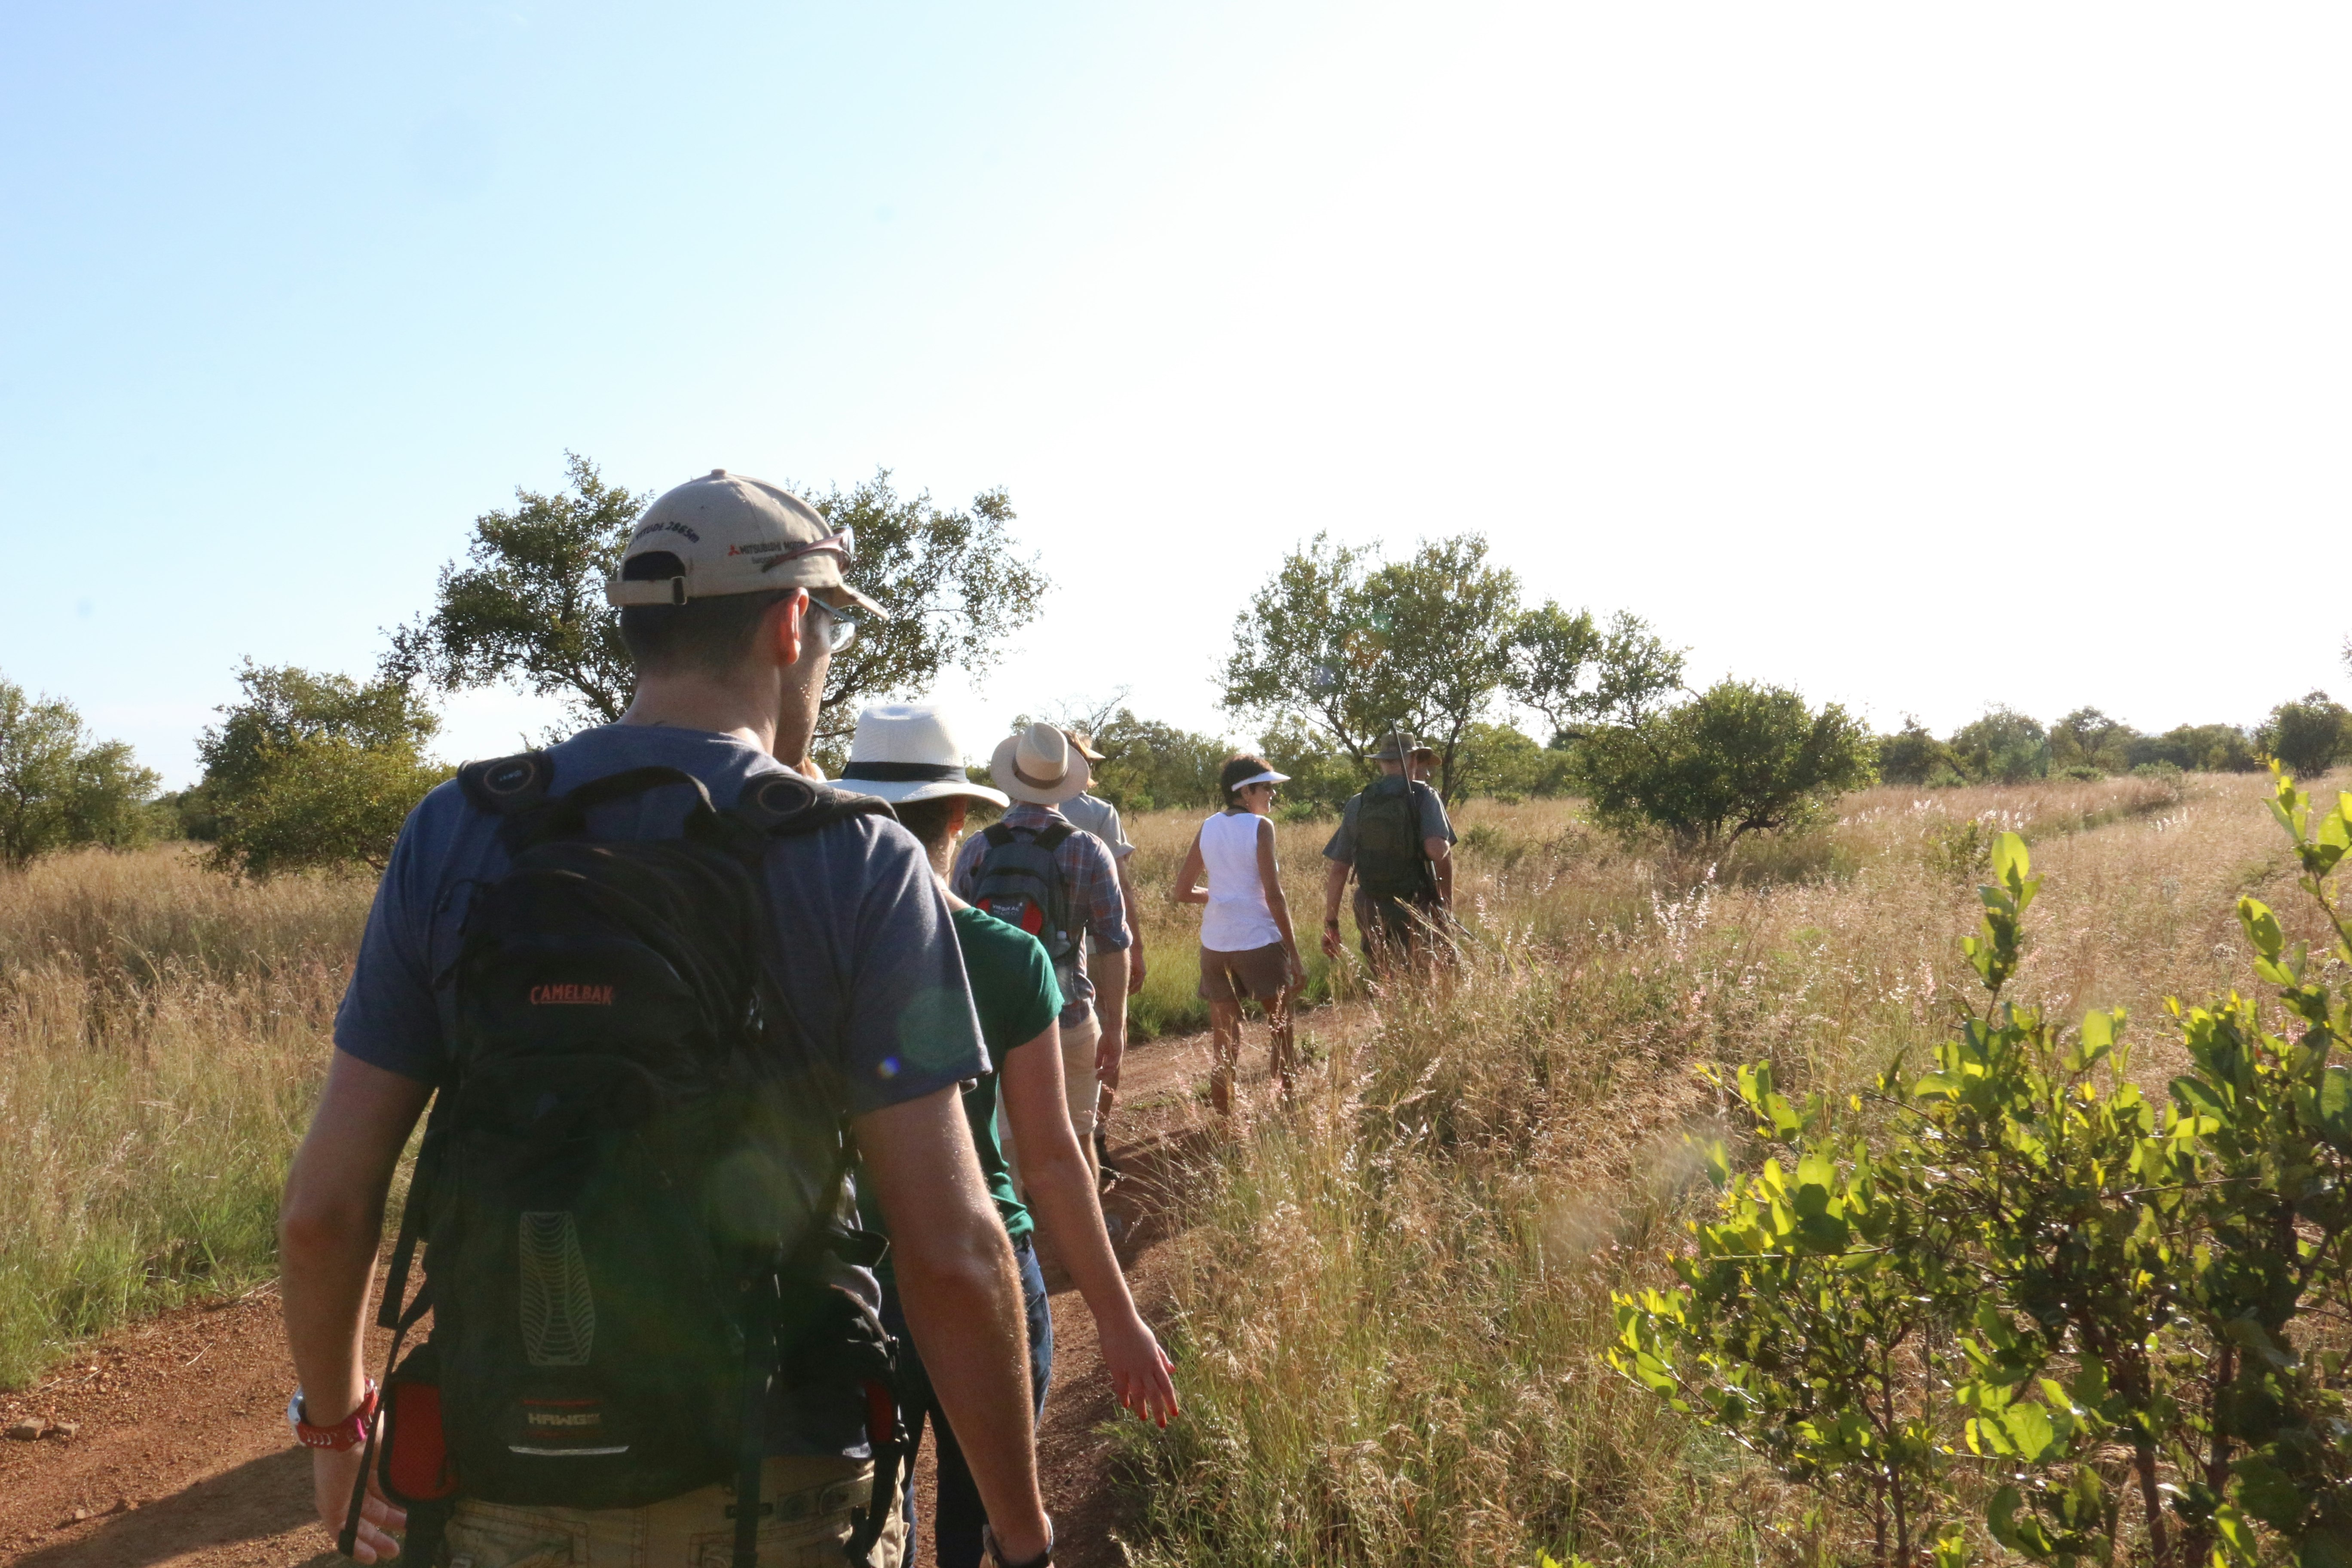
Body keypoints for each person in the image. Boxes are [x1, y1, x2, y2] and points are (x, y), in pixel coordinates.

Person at [279, 469, 1056, 1568]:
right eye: (831, 629)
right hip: (779, 1492)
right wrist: (1021, 1534)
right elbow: (953, 1251)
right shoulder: (860, 858)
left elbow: (323, 1209)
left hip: (508, 1479)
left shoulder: (455, 828)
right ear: (791, 622)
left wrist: (334, 1430)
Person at [836, 704, 1178, 1568]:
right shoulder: (1007, 957)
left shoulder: (812, 948)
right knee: (981, 1509)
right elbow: (1053, 1160)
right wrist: (1118, 1319)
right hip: (987, 1274)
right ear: (959, 815)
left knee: (872, 1514)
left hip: (852, 1276)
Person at [951, 723, 1132, 1188]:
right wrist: (1116, 1025)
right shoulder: (1089, 850)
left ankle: (1022, 1234)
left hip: (994, 1024)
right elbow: (1113, 943)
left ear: (1013, 777)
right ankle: (1080, 1233)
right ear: (1064, 781)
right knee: (1077, 1143)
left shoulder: (977, 847)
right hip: (1068, 1013)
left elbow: (953, 938)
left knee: (1006, 1153)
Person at [1173, 754, 1307, 1113]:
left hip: (1215, 946)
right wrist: (1295, 955)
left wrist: (1222, 896)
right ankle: (1287, 1111)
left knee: (1225, 1039)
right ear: (1246, 792)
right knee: (1281, 1030)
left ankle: (1224, 1120)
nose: (1272, 795)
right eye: (1266, 788)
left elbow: (1182, 891)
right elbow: (1274, 895)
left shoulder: (1208, 826)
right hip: (1258, 941)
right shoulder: (1261, 827)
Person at [1051, 729, 1144, 1185]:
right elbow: (1120, 888)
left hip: (1040, 953)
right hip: (1093, 950)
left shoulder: (1014, 812)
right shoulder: (1099, 813)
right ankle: (1096, 1137)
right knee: (1109, 1038)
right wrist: (1136, 947)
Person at [1320, 732, 1455, 973]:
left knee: (1384, 974)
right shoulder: (1426, 796)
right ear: (1414, 760)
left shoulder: (1359, 802)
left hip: (1369, 905)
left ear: (1381, 762)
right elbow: (1437, 852)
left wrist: (1332, 923)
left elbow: (1340, 869)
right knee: (1423, 977)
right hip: (1414, 905)